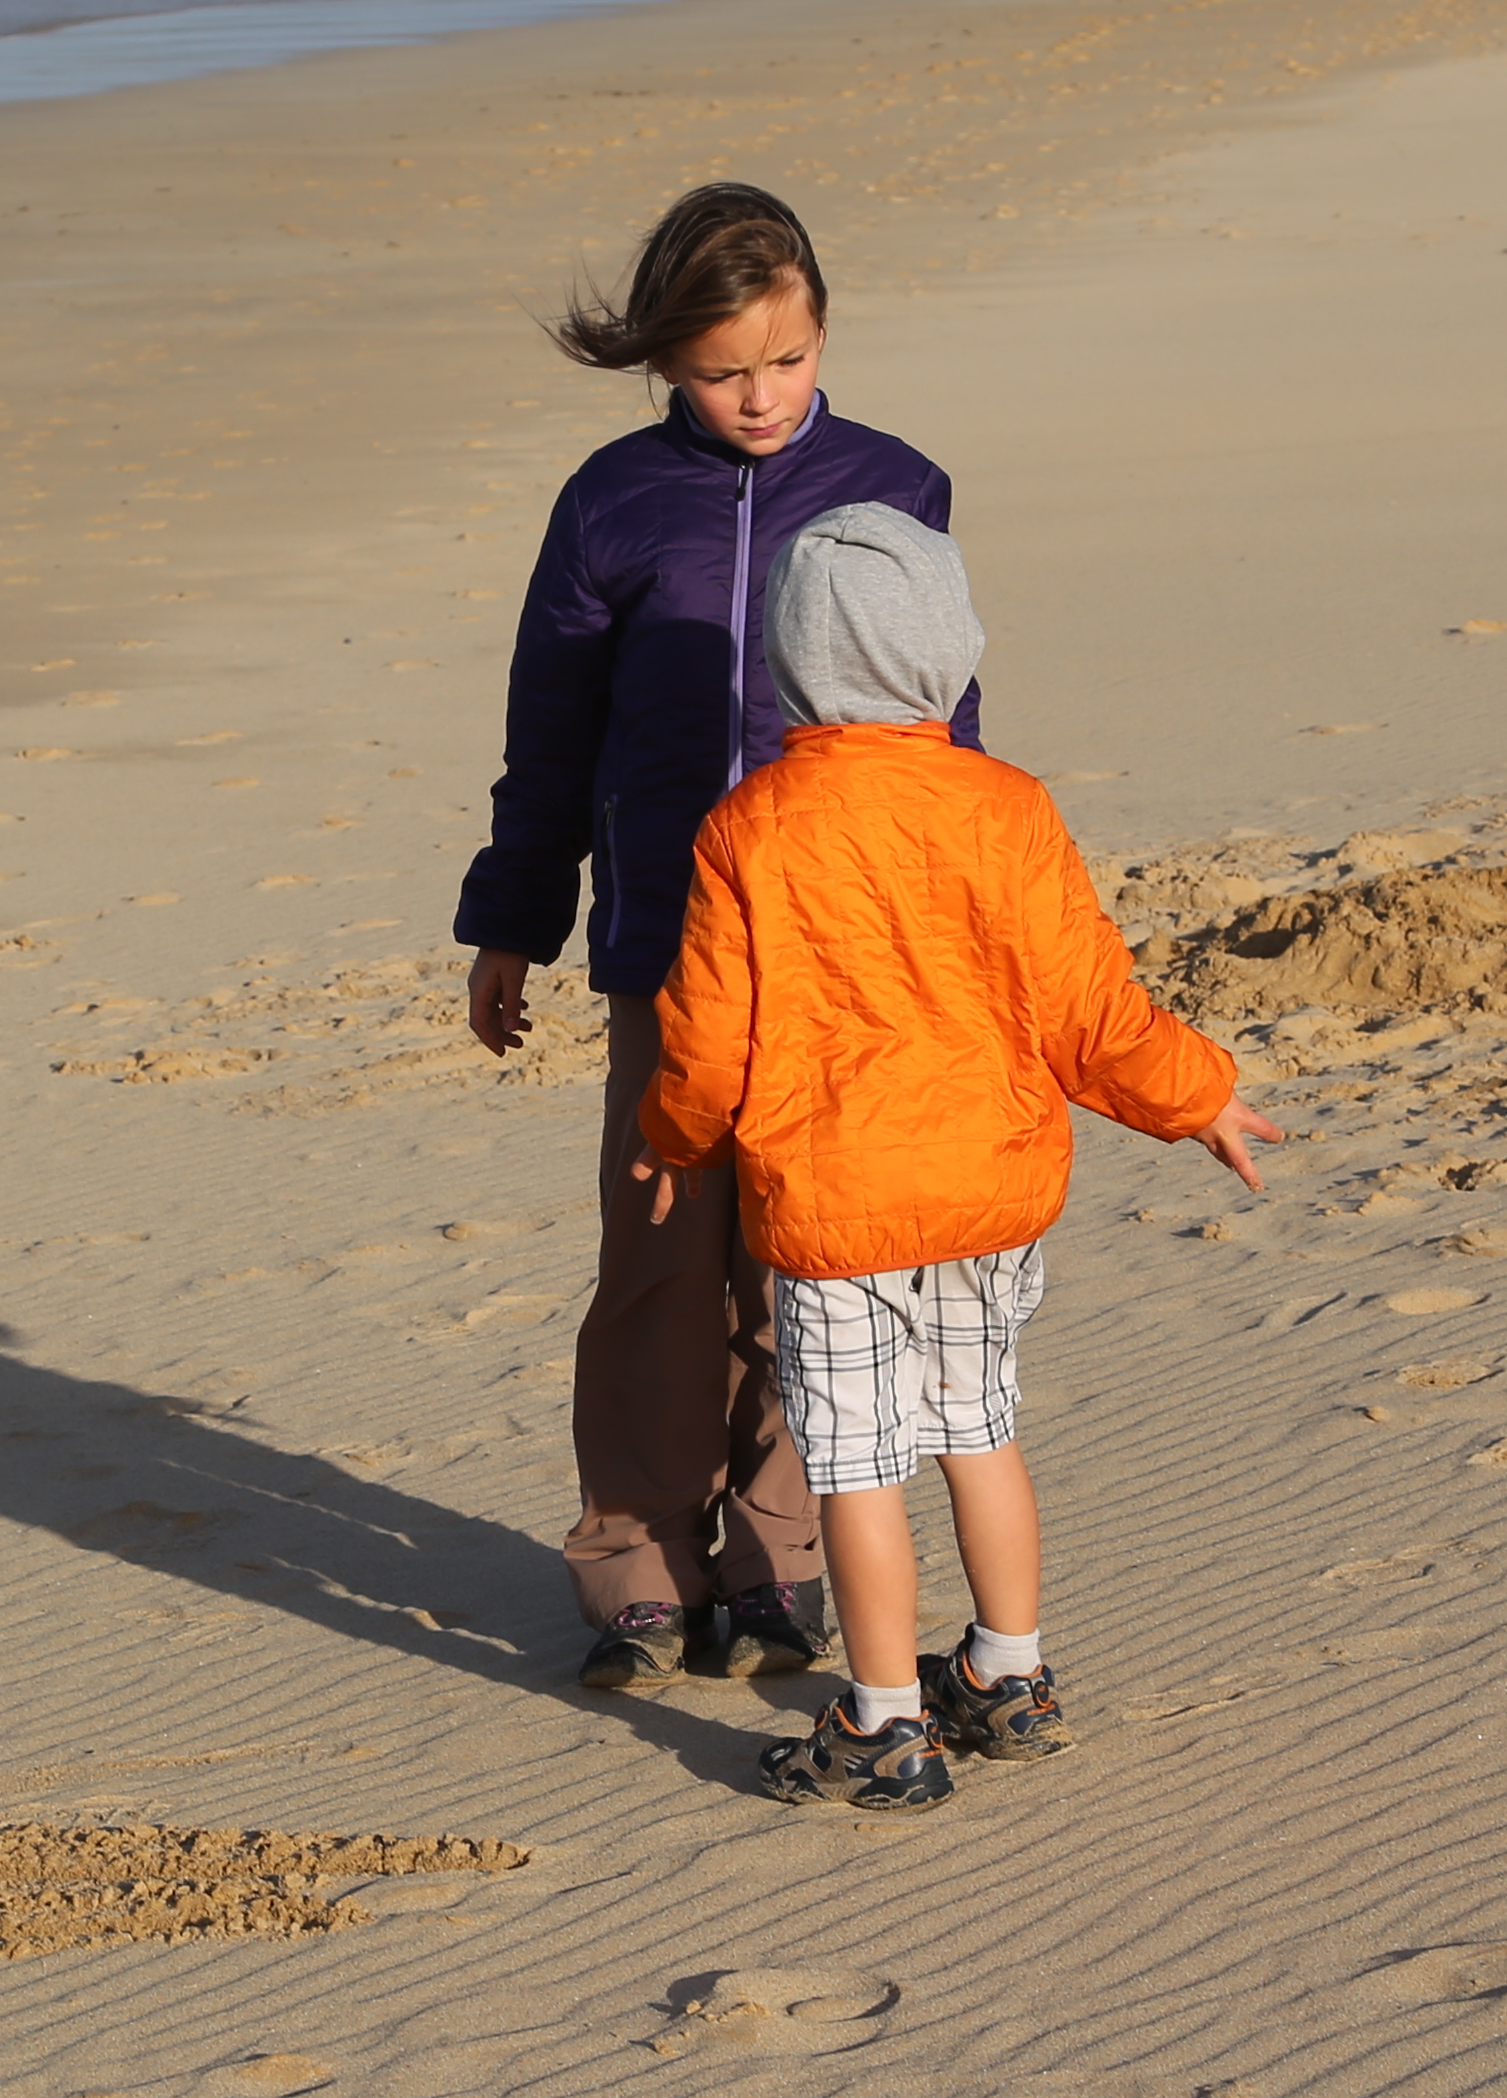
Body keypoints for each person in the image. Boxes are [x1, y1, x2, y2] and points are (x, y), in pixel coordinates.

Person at [635, 508, 1277, 1813]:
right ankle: (1009, 1670)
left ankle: (881, 1721)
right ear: (947, 654)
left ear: (791, 664)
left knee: (860, 1463)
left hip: (838, 1205)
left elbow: (707, 1036)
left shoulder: (752, 827)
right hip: (988, 1193)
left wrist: (672, 1138)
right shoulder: (1008, 807)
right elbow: (1090, 1013)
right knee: (980, 1429)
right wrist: (1197, 1094)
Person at [456, 182, 975, 1696]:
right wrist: (513, 918)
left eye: (788, 359)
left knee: (801, 1260)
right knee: (665, 1252)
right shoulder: (611, 502)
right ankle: (639, 1558)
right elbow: (548, 735)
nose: (759, 396)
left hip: (844, 949)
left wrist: (942, 927)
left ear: (824, 336)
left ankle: (776, 1553)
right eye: (721, 368)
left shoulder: (899, 488)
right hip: (667, 943)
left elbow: (944, 719)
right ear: (664, 359)